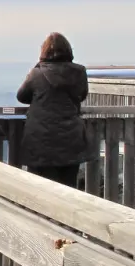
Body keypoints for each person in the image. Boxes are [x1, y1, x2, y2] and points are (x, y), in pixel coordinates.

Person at [16, 32, 89, 187]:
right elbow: (81, 95)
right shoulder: (79, 72)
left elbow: (21, 96)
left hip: (41, 140)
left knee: (40, 189)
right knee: (68, 188)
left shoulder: (37, 73)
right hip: (71, 139)